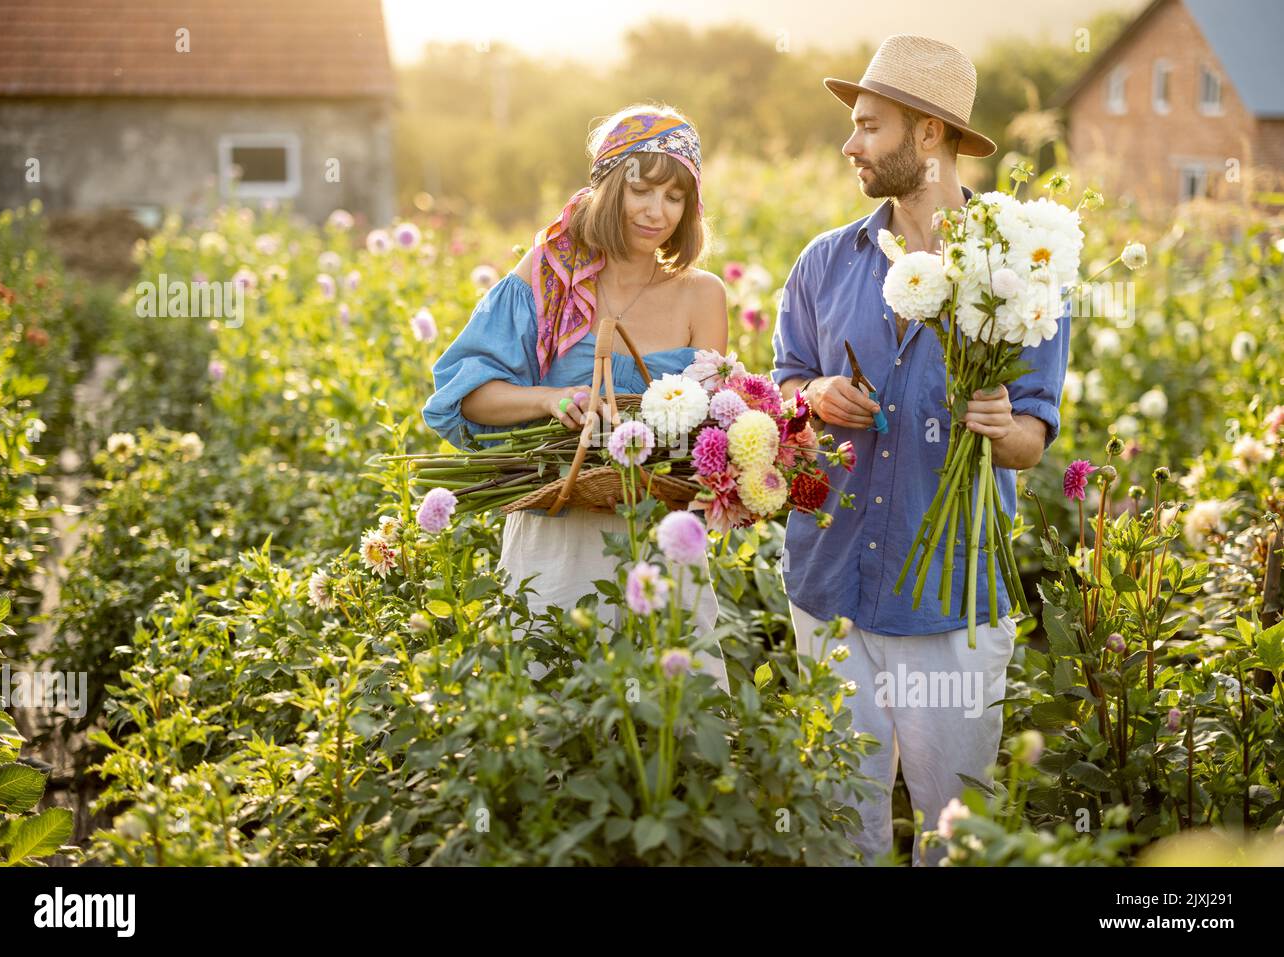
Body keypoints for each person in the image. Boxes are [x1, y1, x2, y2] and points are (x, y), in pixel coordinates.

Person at [770, 35, 1071, 865]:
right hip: (829, 586)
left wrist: (999, 421)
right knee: (838, 828)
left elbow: (1030, 442)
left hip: (951, 601)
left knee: (955, 837)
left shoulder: (1019, 269)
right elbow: (785, 383)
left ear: (929, 134)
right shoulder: (826, 262)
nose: (850, 143)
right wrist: (812, 398)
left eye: (869, 125)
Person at [422, 104, 731, 693]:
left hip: (657, 532)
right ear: (608, 186)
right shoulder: (548, 277)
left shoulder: (702, 295)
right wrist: (547, 399)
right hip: (556, 532)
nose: (656, 212)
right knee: (548, 705)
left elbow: (707, 433)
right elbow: (466, 399)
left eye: (674, 197)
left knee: (667, 716)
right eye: (641, 190)